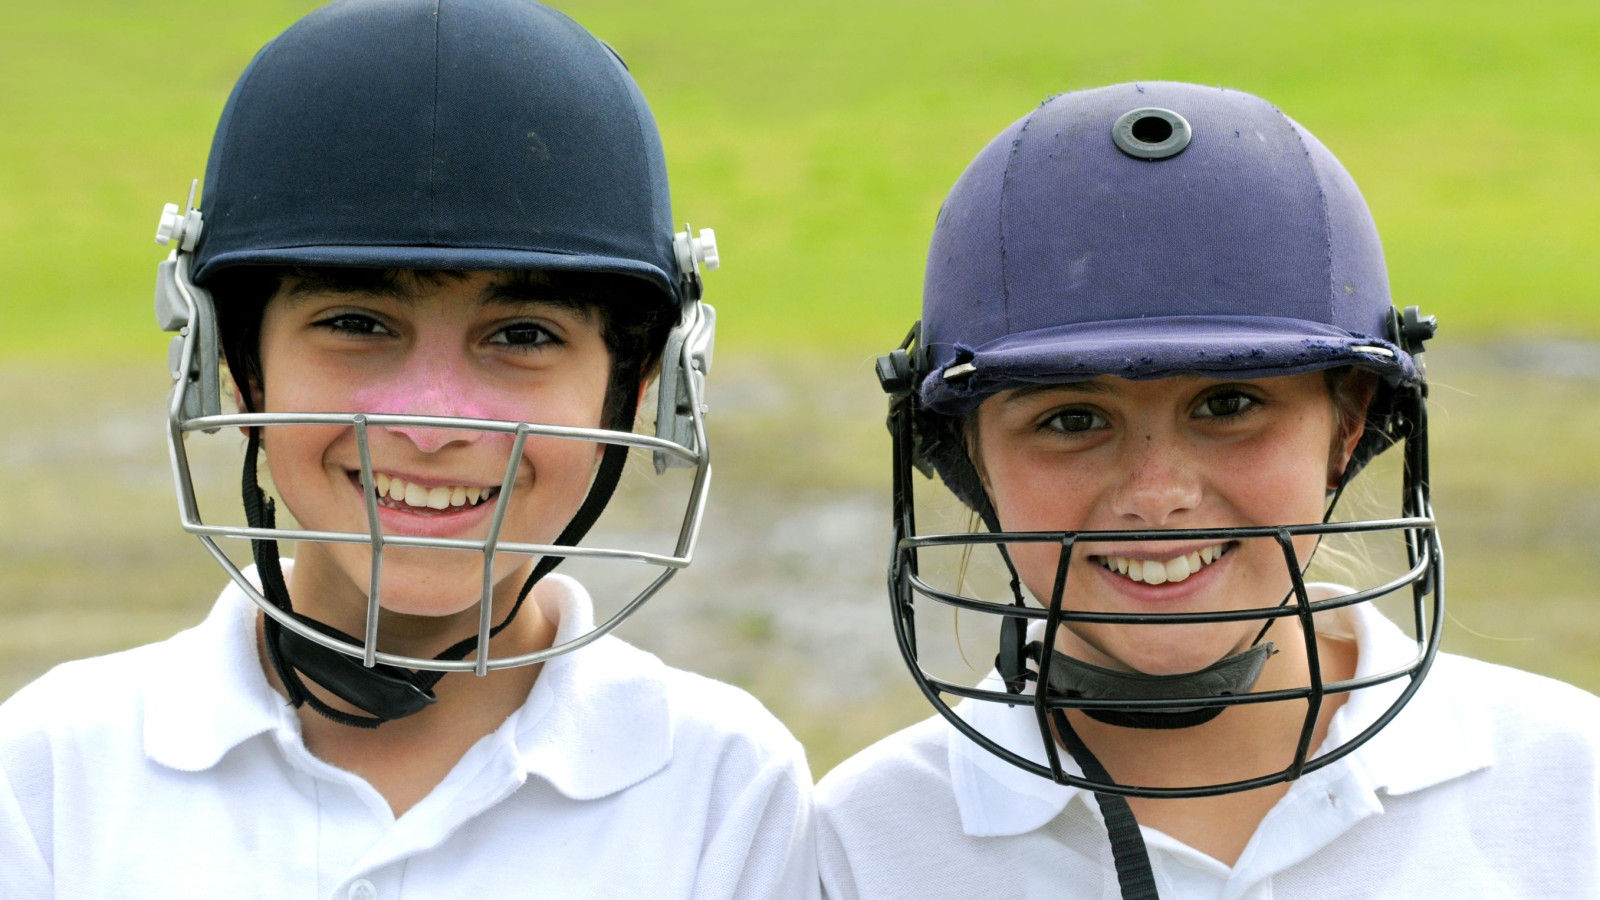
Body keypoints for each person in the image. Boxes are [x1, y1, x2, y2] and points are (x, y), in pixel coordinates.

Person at [0, 1, 817, 897]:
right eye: (356, 323)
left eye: (523, 335)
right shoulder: (52, 774)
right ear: (228, 362)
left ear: (642, 381)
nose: (432, 424)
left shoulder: (723, 789)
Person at [816, 82, 1600, 898]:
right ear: (966, 451)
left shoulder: (1568, 787)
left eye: (1229, 406)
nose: (1156, 496)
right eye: (1071, 419)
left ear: (1347, 423)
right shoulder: (865, 842)